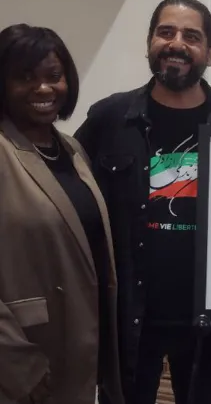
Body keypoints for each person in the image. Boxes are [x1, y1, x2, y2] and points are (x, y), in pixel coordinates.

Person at [73, 0, 211, 404]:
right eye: (166, 32)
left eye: (191, 36)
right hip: (129, 315)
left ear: (209, 52)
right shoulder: (110, 118)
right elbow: (71, 194)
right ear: (149, 43)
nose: (177, 43)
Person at [0, 24, 124, 404]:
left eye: (53, 76)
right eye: (25, 78)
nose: (43, 88)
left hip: (78, 346)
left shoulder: (72, 150)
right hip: (25, 359)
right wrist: (16, 365)